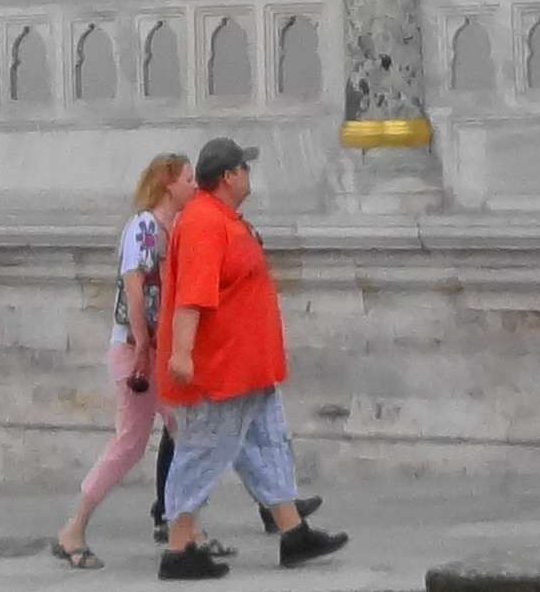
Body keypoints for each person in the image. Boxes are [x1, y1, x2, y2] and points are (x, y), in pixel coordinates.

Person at [155, 139, 347, 580]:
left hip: (248, 366)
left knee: (266, 444)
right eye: (244, 167)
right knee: (204, 449)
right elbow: (192, 296)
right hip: (221, 367)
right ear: (228, 176)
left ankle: (293, 532)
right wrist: (182, 353)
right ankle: (179, 547)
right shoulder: (204, 221)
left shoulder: (222, 219)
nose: (248, 174)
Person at [54, 154, 195, 570]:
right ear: (169, 183)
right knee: (133, 442)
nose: (194, 186)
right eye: (188, 179)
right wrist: (141, 345)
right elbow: (134, 289)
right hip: (139, 350)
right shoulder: (145, 227)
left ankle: (185, 529)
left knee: (185, 432)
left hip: (155, 350)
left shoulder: (175, 228)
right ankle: (74, 528)